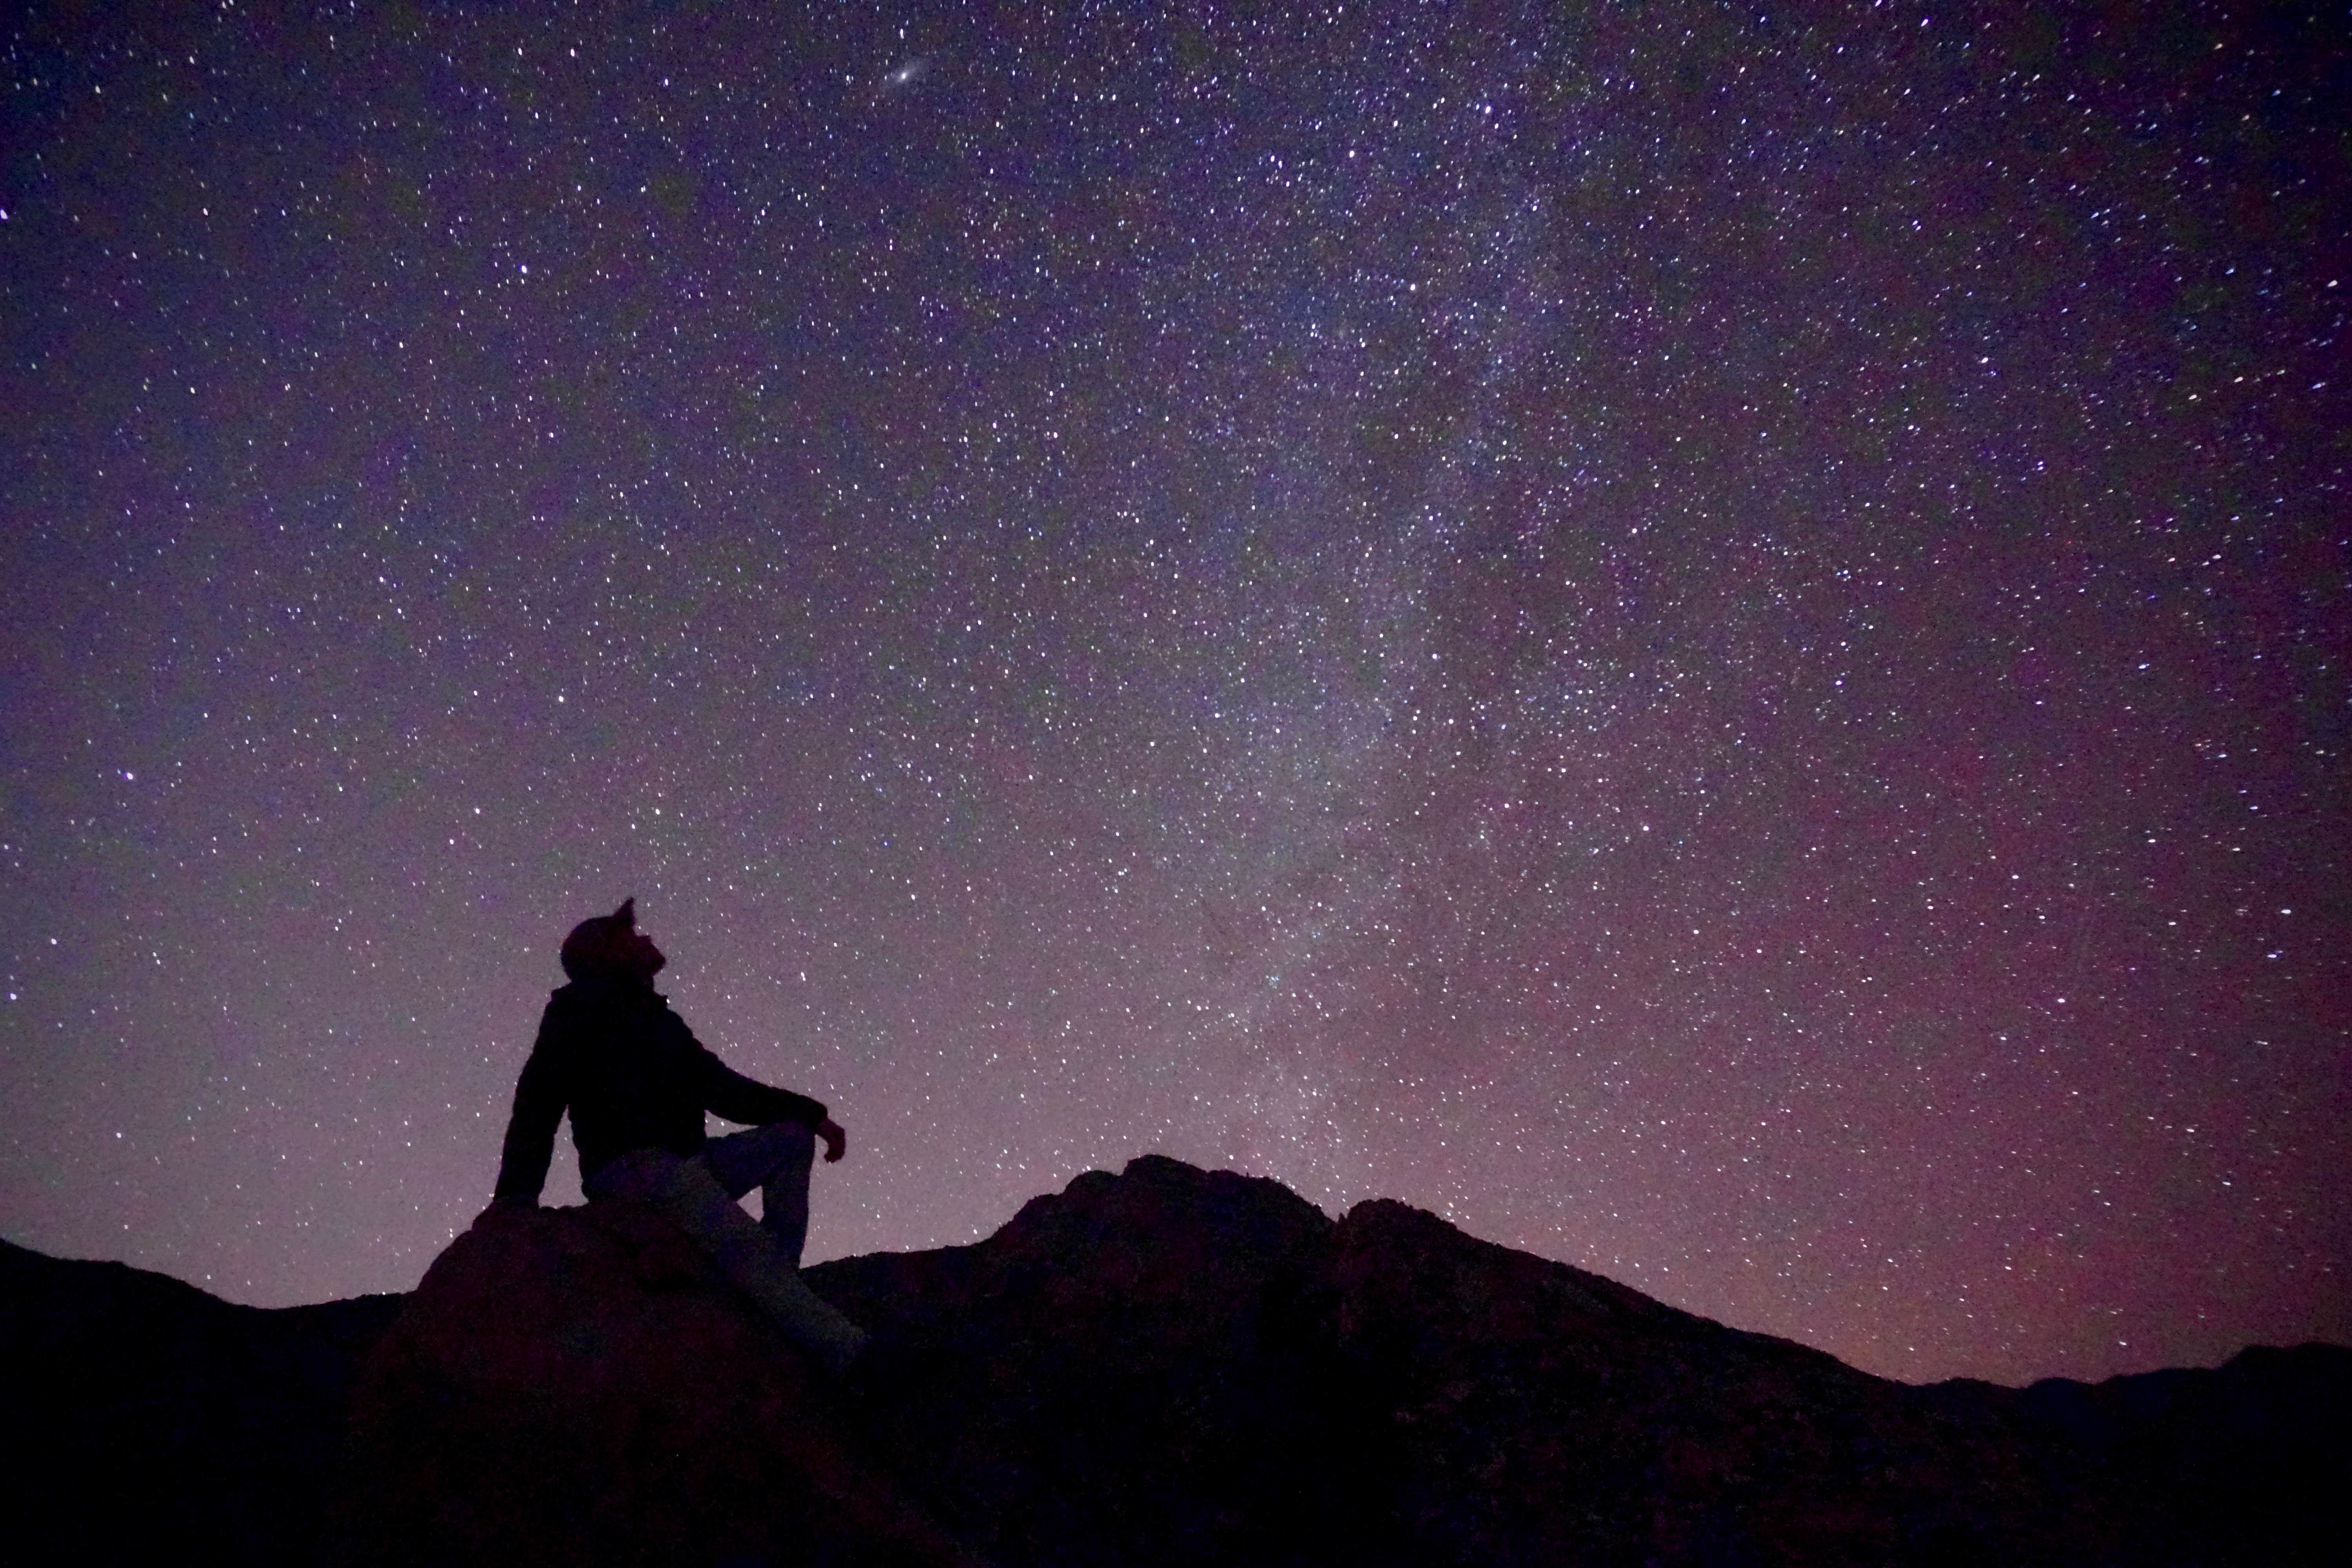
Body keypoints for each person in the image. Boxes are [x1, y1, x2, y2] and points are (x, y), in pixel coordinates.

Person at [490, 898, 869, 1376]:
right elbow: (539, 1101)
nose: (646, 938)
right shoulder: (577, 1010)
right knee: (742, 1243)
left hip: (684, 1161)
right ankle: (852, 1356)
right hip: (631, 1169)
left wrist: (811, 1116)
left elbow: (723, 1088)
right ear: (608, 952)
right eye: (631, 934)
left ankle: (777, 1290)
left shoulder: (660, 1021)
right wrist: (516, 1195)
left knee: (790, 1141)